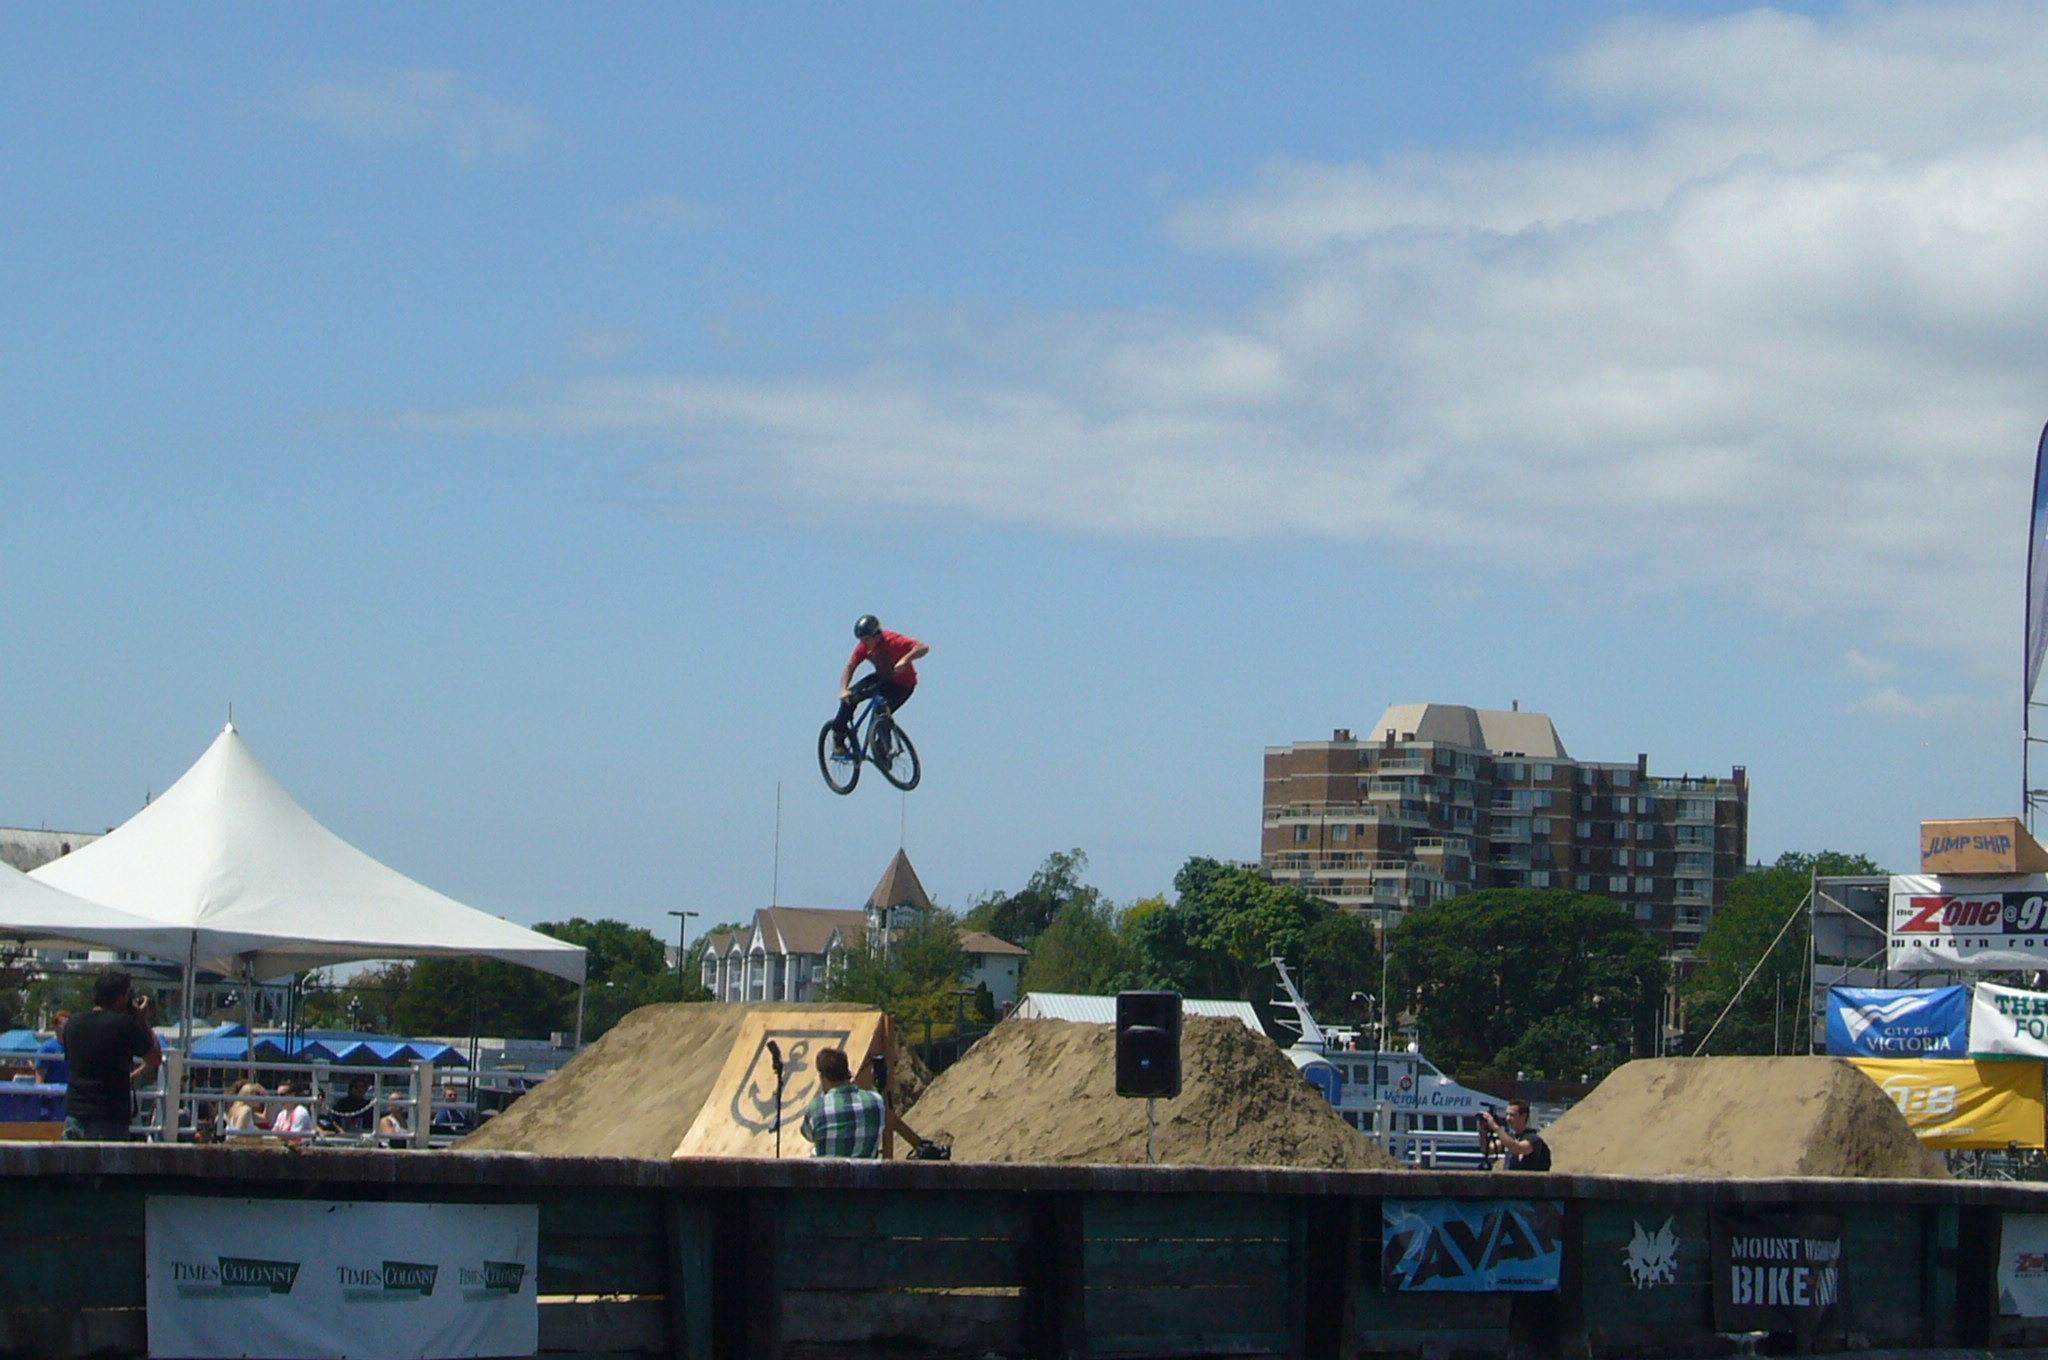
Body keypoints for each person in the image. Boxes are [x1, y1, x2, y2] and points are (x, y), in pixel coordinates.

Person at [59, 970, 161, 1141]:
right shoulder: (123, 1025)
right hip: (109, 1118)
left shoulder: (73, 1024)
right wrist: (143, 1020)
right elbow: (155, 1058)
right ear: (121, 997)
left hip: (75, 1115)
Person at [798, 1047, 929, 1158]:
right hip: (866, 1182)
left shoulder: (816, 1108)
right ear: (847, 1072)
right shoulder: (877, 1102)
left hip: (827, 1183)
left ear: (823, 1077)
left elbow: (808, 1135)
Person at [831, 615, 929, 757]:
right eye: (861, 640)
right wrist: (843, 689)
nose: (864, 643)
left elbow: (923, 647)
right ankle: (839, 737)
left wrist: (905, 660)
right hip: (882, 679)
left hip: (903, 686)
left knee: (881, 712)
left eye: (866, 639)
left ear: (876, 635)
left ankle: (883, 747)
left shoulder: (893, 641)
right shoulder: (863, 647)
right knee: (849, 697)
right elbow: (850, 667)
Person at [1479, 1099, 1551, 1171]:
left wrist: (1495, 1127)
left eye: (1512, 1115)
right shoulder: (1512, 1138)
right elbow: (1487, 1150)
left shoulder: (1533, 1139)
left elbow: (1517, 1148)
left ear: (1523, 1116)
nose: (1508, 1118)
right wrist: (1482, 1131)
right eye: (1507, 1114)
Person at [35, 1011, 70, 1085]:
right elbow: (39, 1079)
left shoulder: (74, 1047)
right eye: (63, 1024)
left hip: (70, 1093)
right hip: (52, 1093)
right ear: (55, 1026)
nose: (67, 1027)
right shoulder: (46, 1048)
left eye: (69, 1024)